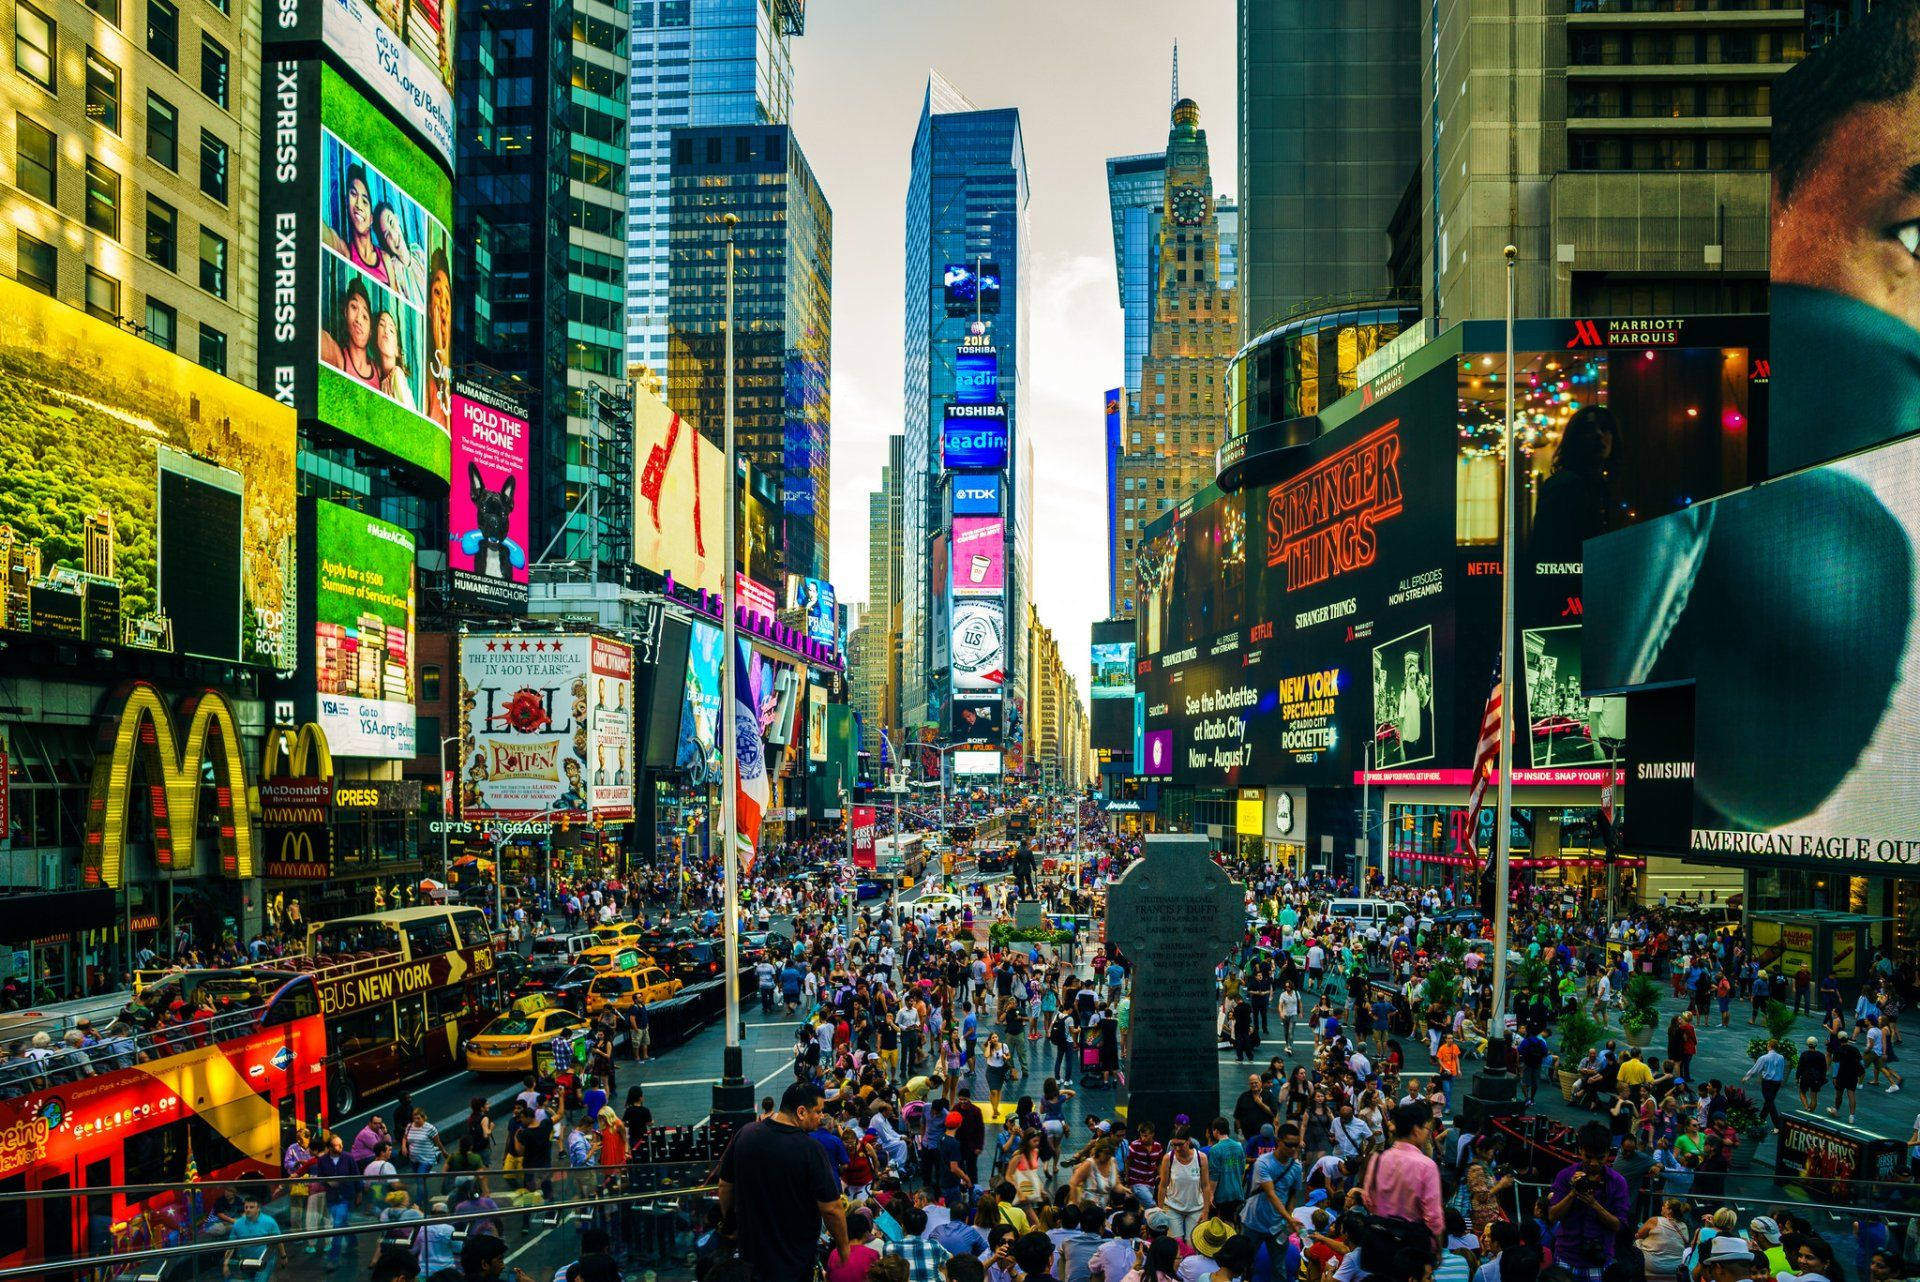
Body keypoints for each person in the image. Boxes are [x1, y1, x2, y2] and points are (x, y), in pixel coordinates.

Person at [716, 1079, 849, 1282]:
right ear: (802, 1111)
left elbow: (725, 1185)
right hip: (794, 1259)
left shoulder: (746, 1134)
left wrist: (730, 1224)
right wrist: (844, 1250)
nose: (821, 1118)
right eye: (819, 1111)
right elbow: (831, 1208)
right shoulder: (810, 1150)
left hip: (751, 1255)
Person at [1545, 1122, 1629, 1281]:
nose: (1594, 1163)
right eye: (1588, 1157)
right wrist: (1573, 1193)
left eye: (1600, 1158)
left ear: (1608, 1153)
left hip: (1599, 1259)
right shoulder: (1565, 1176)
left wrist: (1593, 1204)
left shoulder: (1617, 1182)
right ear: (1580, 1150)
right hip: (1566, 1255)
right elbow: (1552, 1216)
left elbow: (1618, 1225)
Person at [223, 1192, 287, 1282]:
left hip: (264, 1261)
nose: (248, 1210)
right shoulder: (238, 1224)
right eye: (246, 1207)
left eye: (251, 1207)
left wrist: (283, 1256)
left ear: (258, 1209)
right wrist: (225, 1264)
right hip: (245, 1262)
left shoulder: (269, 1222)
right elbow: (231, 1245)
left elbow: (278, 1240)